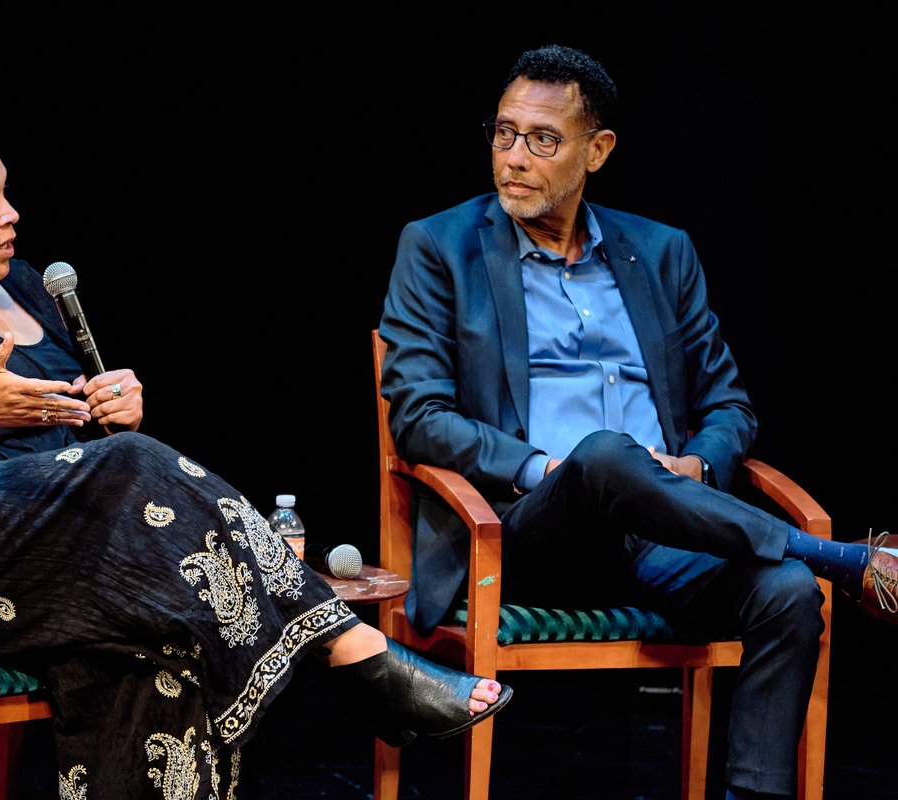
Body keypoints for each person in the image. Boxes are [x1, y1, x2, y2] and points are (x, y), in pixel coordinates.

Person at [0, 115, 513, 800]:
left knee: (150, 637)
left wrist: (108, 410)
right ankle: (354, 654)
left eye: (7, 196)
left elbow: (67, 450)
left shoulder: (23, 288)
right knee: (128, 466)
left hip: (30, 562)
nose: (11, 216)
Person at [378, 44, 896, 800]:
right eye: (503, 132)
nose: (515, 157)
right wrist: (543, 470)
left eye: (543, 139)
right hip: (529, 529)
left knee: (786, 594)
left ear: (598, 150)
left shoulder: (660, 252)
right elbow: (418, 417)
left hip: (668, 530)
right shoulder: (439, 247)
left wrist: (701, 468)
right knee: (602, 455)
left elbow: (728, 406)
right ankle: (842, 559)